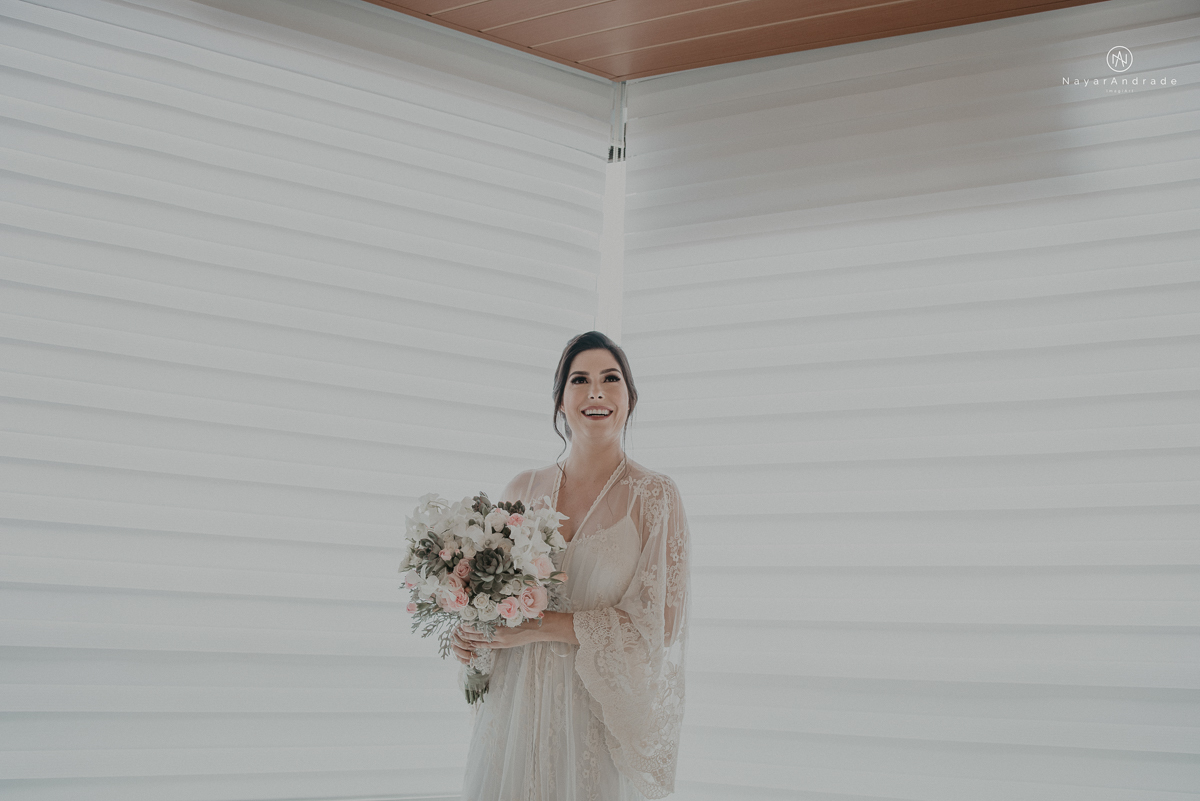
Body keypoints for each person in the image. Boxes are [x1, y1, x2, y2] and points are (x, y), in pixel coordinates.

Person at [451, 331, 691, 801]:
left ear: (630, 398)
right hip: (515, 710)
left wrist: (539, 625)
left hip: (593, 718)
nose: (596, 391)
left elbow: (657, 628)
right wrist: (470, 633)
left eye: (610, 378)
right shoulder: (522, 488)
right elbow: (488, 599)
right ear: (561, 401)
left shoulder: (656, 497)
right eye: (580, 379)